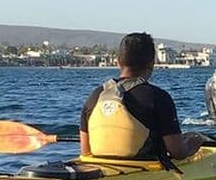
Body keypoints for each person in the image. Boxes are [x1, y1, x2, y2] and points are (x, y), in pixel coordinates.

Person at [80, 32, 203, 163]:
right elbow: (178, 153)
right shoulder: (159, 97)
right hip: (144, 171)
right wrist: (195, 141)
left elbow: (85, 152)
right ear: (151, 63)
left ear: (118, 61)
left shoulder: (95, 96)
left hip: (98, 168)